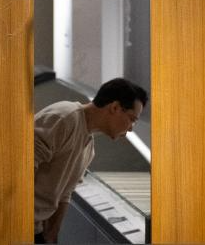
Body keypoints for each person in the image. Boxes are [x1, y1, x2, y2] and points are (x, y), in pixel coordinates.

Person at [34, 77, 148, 243]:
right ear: (115, 107)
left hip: (36, 230)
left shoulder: (89, 148)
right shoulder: (64, 118)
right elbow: (20, 170)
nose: (131, 128)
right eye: (132, 119)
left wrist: (52, 234)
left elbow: (65, 193)